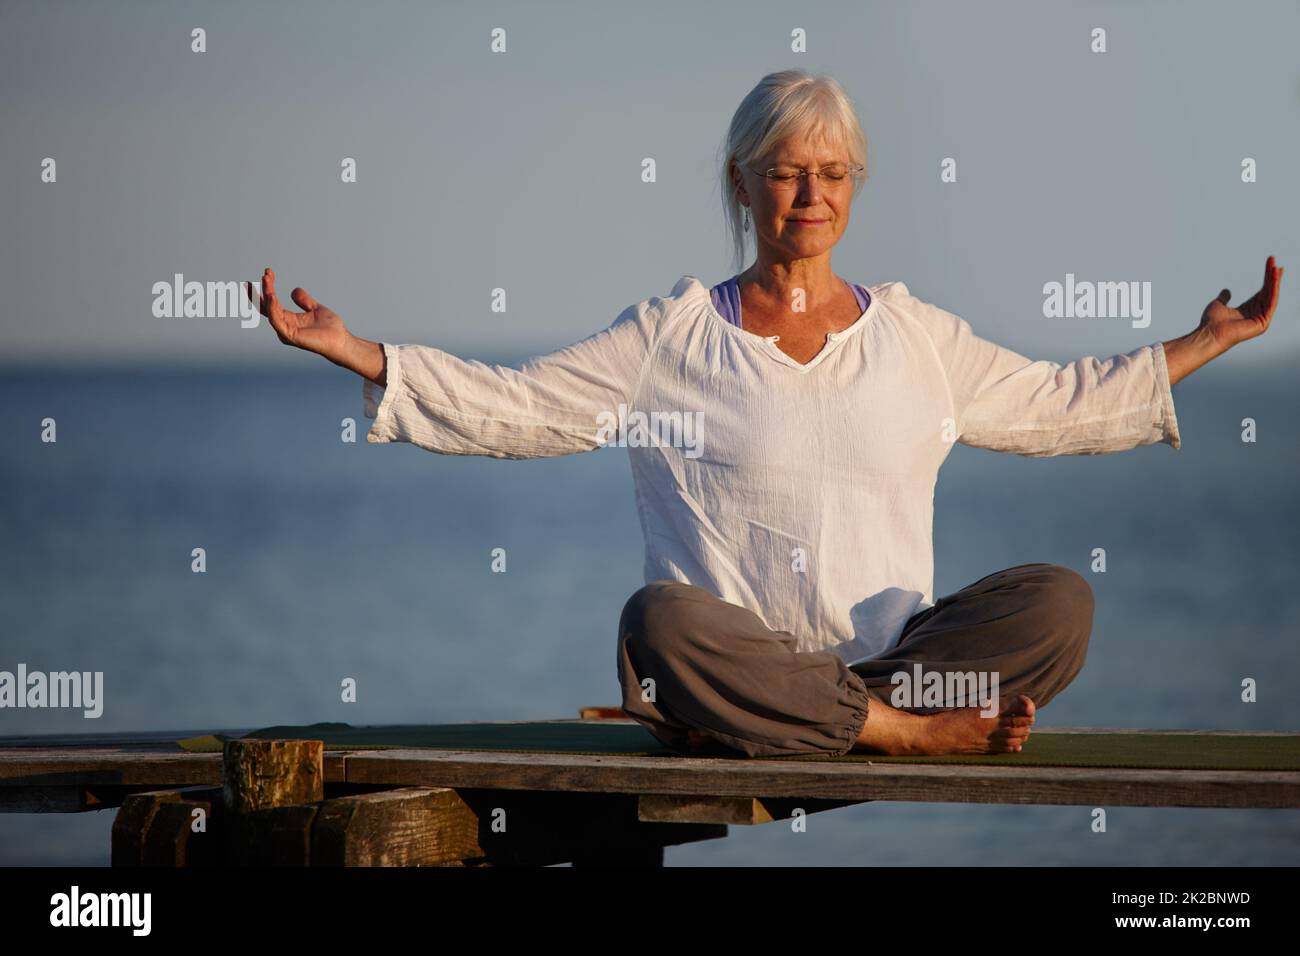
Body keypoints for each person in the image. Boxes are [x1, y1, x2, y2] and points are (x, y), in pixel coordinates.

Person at [251, 69, 1283, 759]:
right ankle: (899, 734)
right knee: (659, 620)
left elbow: (1057, 403)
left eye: (831, 174)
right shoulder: (673, 336)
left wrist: (1202, 341)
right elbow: (524, 408)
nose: (809, 195)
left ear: (854, 187)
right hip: (736, 665)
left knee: (1060, 602)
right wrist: (360, 351)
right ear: (742, 183)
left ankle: (850, 715)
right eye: (786, 173)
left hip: (887, 665)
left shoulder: (914, 334)